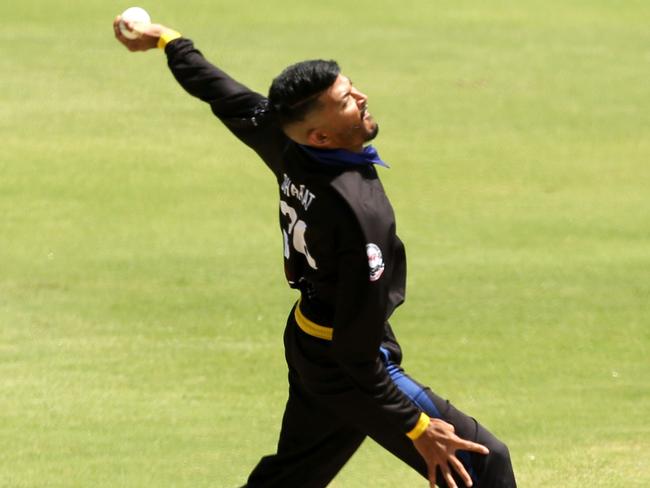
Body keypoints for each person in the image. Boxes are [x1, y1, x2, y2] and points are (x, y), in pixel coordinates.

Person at [113, 16, 517, 488]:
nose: (361, 97)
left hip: (310, 340)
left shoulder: (286, 139)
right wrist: (417, 425)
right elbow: (357, 349)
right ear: (321, 136)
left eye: (351, 87)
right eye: (345, 101)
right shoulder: (360, 214)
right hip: (347, 362)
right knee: (484, 463)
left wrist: (167, 41)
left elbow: (218, 90)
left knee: (294, 476)